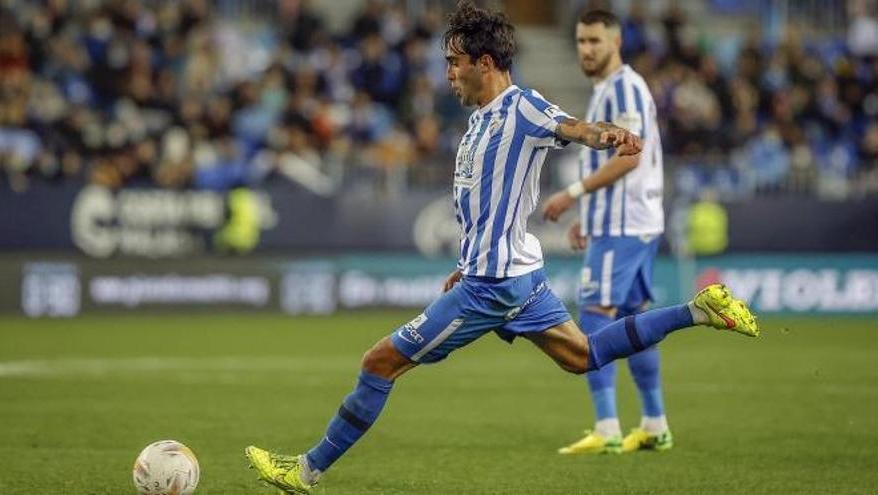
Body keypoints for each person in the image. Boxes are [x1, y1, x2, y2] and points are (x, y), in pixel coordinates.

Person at [244, 3, 758, 493]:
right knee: (585, 355)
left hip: (491, 287)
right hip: (512, 276)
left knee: (379, 363)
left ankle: (305, 472)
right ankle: (699, 310)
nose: (447, 73)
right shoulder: (477, 123)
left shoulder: (521, 107)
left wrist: (612, 136)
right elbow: (483, 209)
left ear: (484, 63)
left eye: (454, 62)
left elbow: (575, 128)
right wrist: (464, 263)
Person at [541, 10, 671, 455]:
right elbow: (608, 157)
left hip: (624, 225)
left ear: (615, 41)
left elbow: (629, 155)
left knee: (594, 321)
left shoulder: (624, 88)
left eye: (594, 40)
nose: (586, 49)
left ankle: (607, 426)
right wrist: (589, 213)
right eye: (580, 41)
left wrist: (572, 193)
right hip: (622, 221)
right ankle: (655, 424)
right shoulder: (605, 92)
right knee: (635, 322)